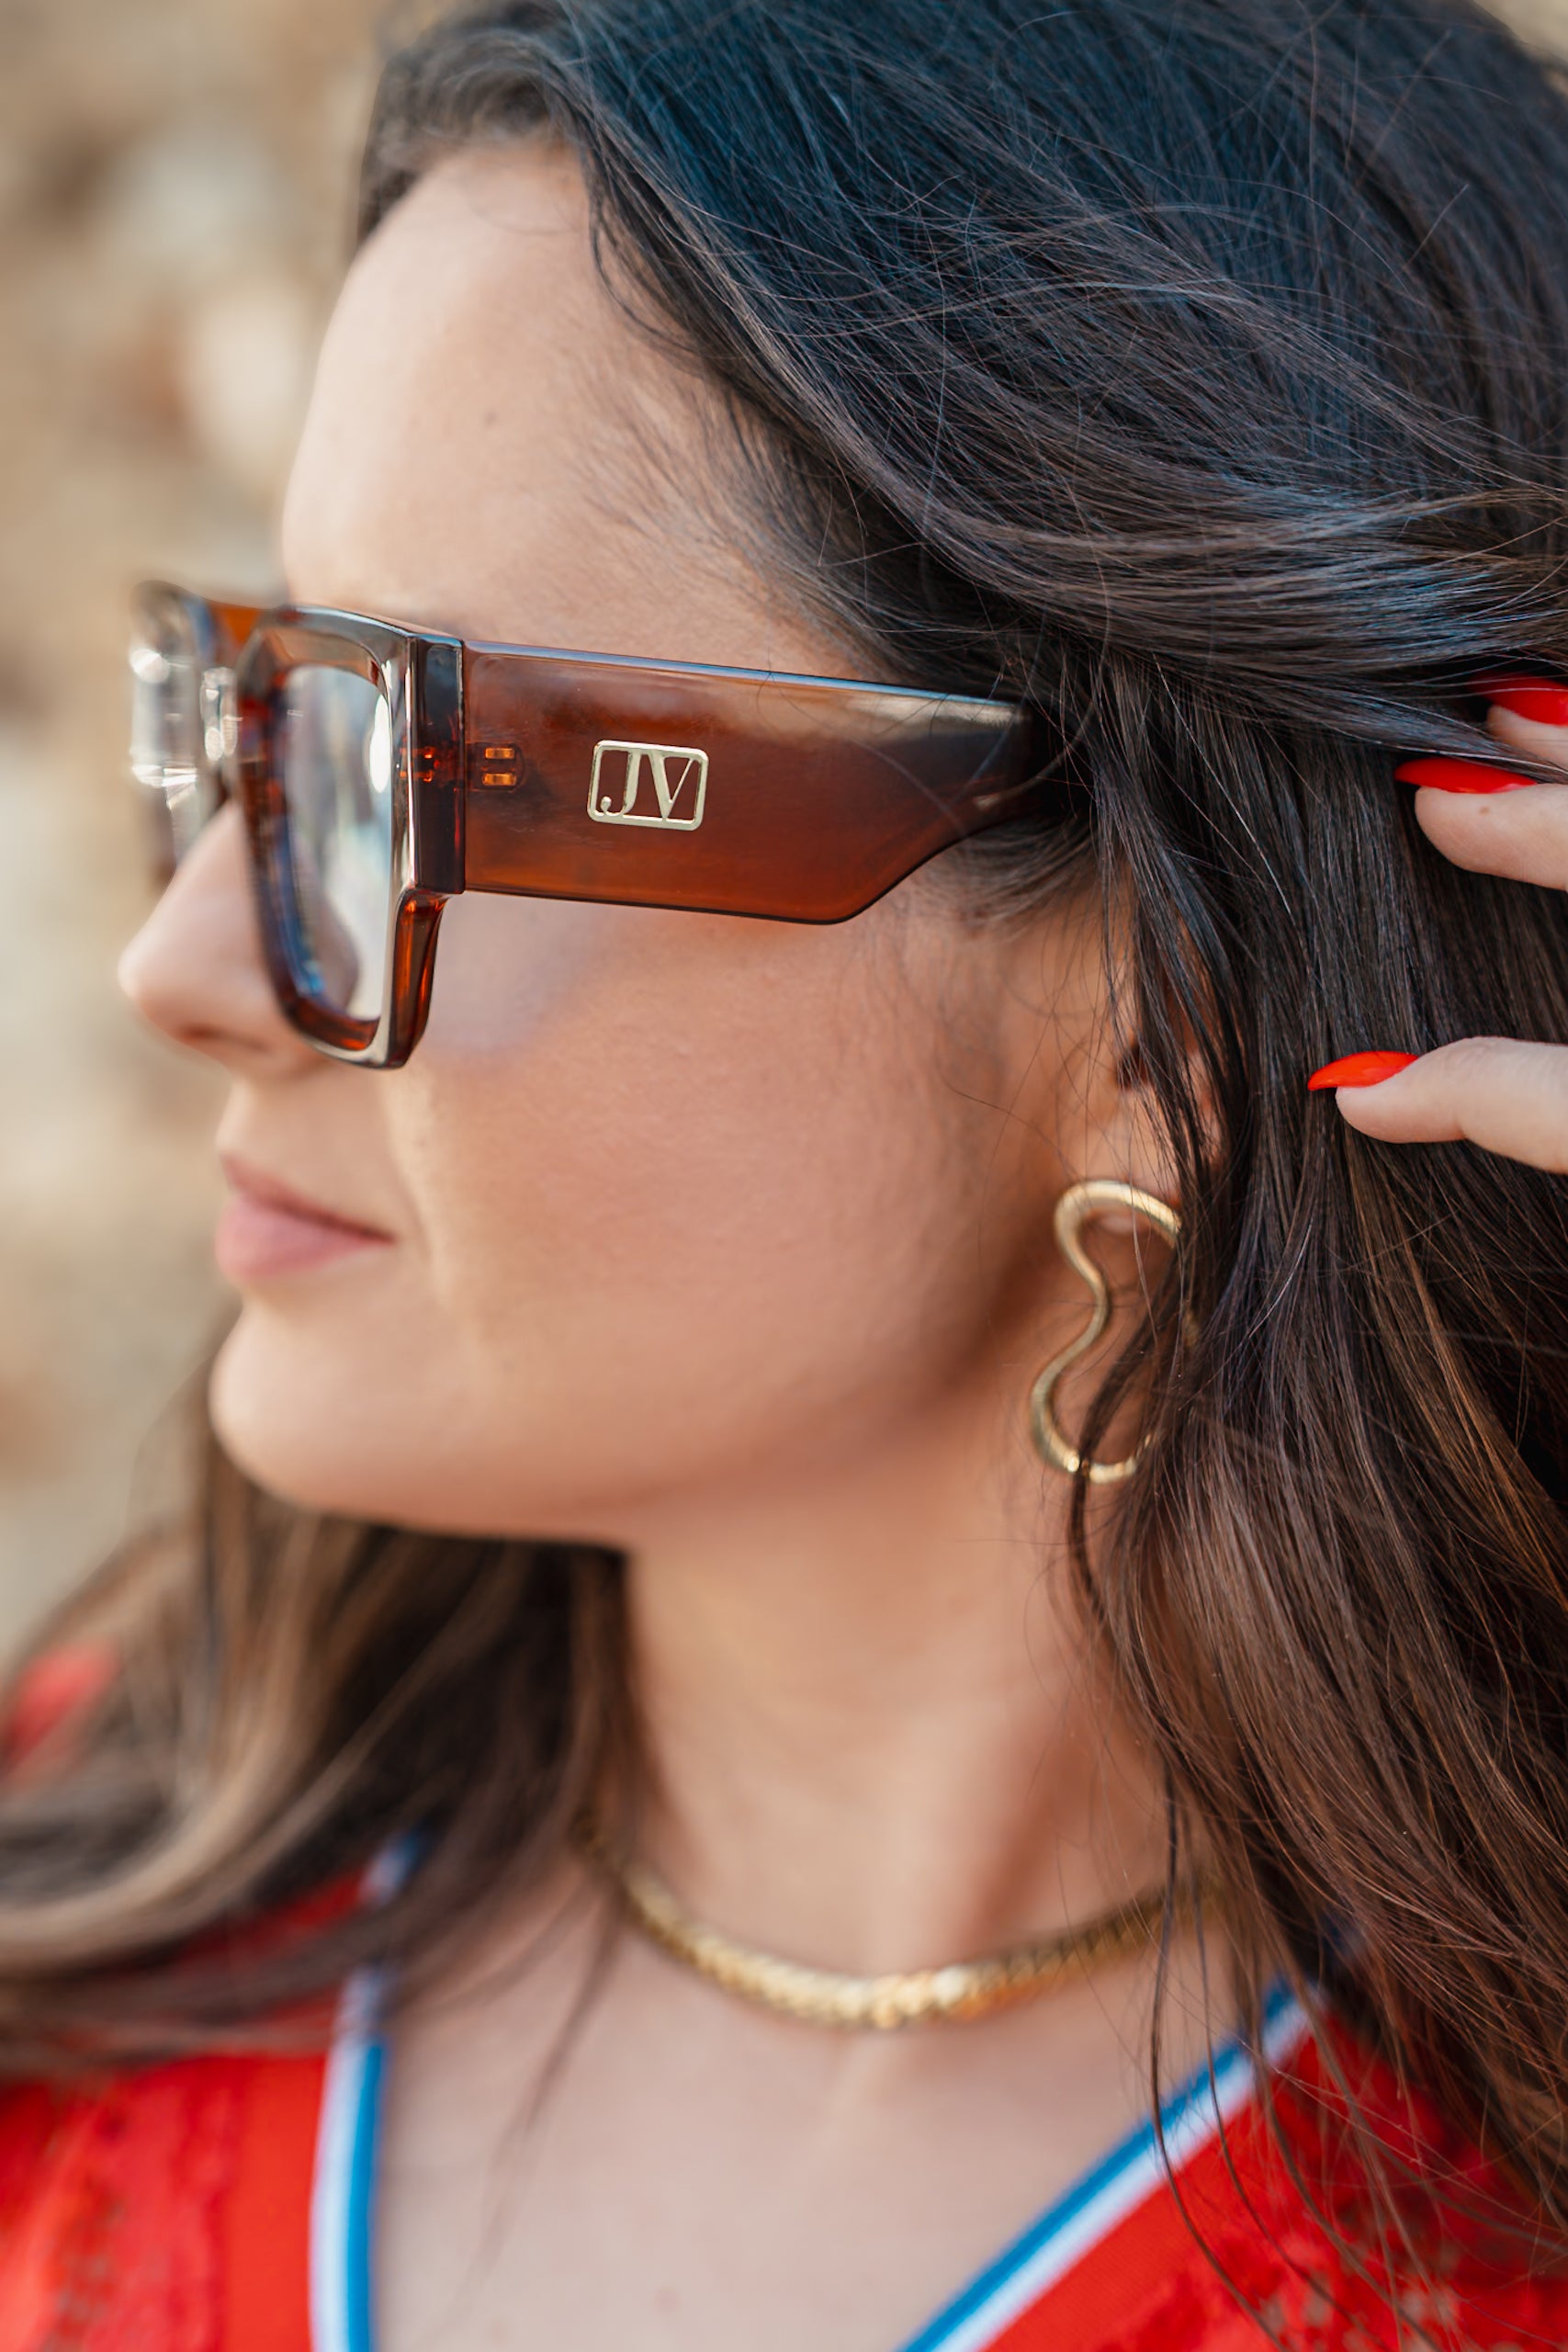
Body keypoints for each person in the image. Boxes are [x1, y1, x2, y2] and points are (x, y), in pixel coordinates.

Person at [6, 0, 1568, 2343]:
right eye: (271, 704)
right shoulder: (70, 1918)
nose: (183, 961)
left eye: (416, 766)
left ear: (1156, 1010)